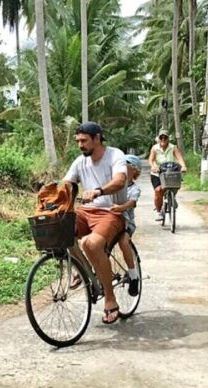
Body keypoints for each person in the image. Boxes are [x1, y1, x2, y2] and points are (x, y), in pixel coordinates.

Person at [64, 121, 127, 324]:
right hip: (85, 212)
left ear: (97, 138)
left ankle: (110, 299)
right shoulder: (80, 161)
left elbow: (119, 180)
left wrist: (99, 191)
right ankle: (85, 273)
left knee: (90, 244)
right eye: (78, 141)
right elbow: (67, 183)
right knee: (60, 231)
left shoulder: (114, 155)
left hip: (111, 212)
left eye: (84, 141)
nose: (80, 145)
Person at [110, 154, 142, 296]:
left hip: (126, 222)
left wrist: (120, 208)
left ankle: (133, 274)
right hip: (111, 219)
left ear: (134, 171)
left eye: (126, 165)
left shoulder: (134, 189)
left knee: (124, 241)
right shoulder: (114, 183)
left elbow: (132, 202)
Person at [148, 130, 187, 221]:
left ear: (168, 139)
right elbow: (151, 160)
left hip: (171, 171)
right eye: (161, 137)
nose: (163, 139)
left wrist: (183, 166)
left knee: (175, 185)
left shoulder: (173, 147)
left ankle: (172, 197)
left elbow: (179, 158)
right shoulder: (155, 148)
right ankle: (159, 212)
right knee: (159, 190)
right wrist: (154, 166)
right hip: (158, 173)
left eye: (165, 137)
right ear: (158, 138)